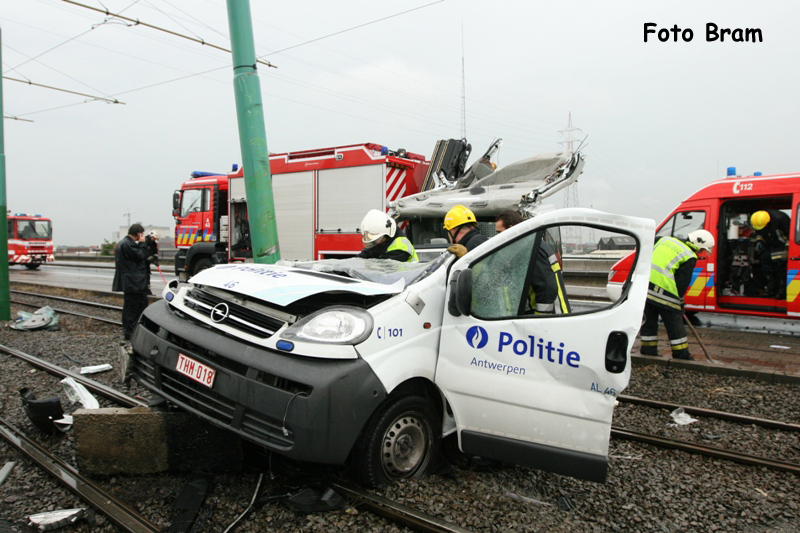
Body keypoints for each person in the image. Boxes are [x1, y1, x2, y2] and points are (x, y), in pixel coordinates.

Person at [640, 229, 715, 360]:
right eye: (702, 250)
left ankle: (648, 351)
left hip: (644, 287)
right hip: (664, 291)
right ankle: (681, 354)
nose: (701, 253)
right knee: (675, 322)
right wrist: (680, 304)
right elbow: (681, 285)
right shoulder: (689, 256)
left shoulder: (664, 240)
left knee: (648, 321)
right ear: (698, 244)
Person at [495, 211, 569, 314]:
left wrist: (540, 317)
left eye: (499, 233)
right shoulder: (525, 246)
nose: (497, 237)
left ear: (511, 229)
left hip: (549, 316)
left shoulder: (532, 249)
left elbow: (546, 288)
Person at [112, 223, 150, 341]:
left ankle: (136, 329)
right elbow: (141, 256)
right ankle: (130, 332)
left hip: (132, 281)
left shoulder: (123, 243)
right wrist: (143, 243)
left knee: (139, 305)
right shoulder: (129, 245)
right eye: (141, 234)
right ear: (138, 234)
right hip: (133, 281)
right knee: (133, 307)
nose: (142, 236)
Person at [750, 209, 790, 298]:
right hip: (769, 244)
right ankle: (771, 287)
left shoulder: (781, 219)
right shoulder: (758, 221)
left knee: (780, 268)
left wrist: (787, 250)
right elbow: (759, 233)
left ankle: (781, 290)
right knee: (764, 261)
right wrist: (759, 241)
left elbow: (790, 236)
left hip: (782, 245)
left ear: (767, 222)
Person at [144, 230, 160, 295]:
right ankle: (145, 291)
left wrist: (156, 259)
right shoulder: (145, 242)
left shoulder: (153, 243)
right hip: (142, 263)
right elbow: (146, 253)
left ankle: (147, 291)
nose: (154, 240)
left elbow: (154, 252)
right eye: (154, 238)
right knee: (144, 276)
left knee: (147, 276)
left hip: (147, 263)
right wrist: (153, 261)